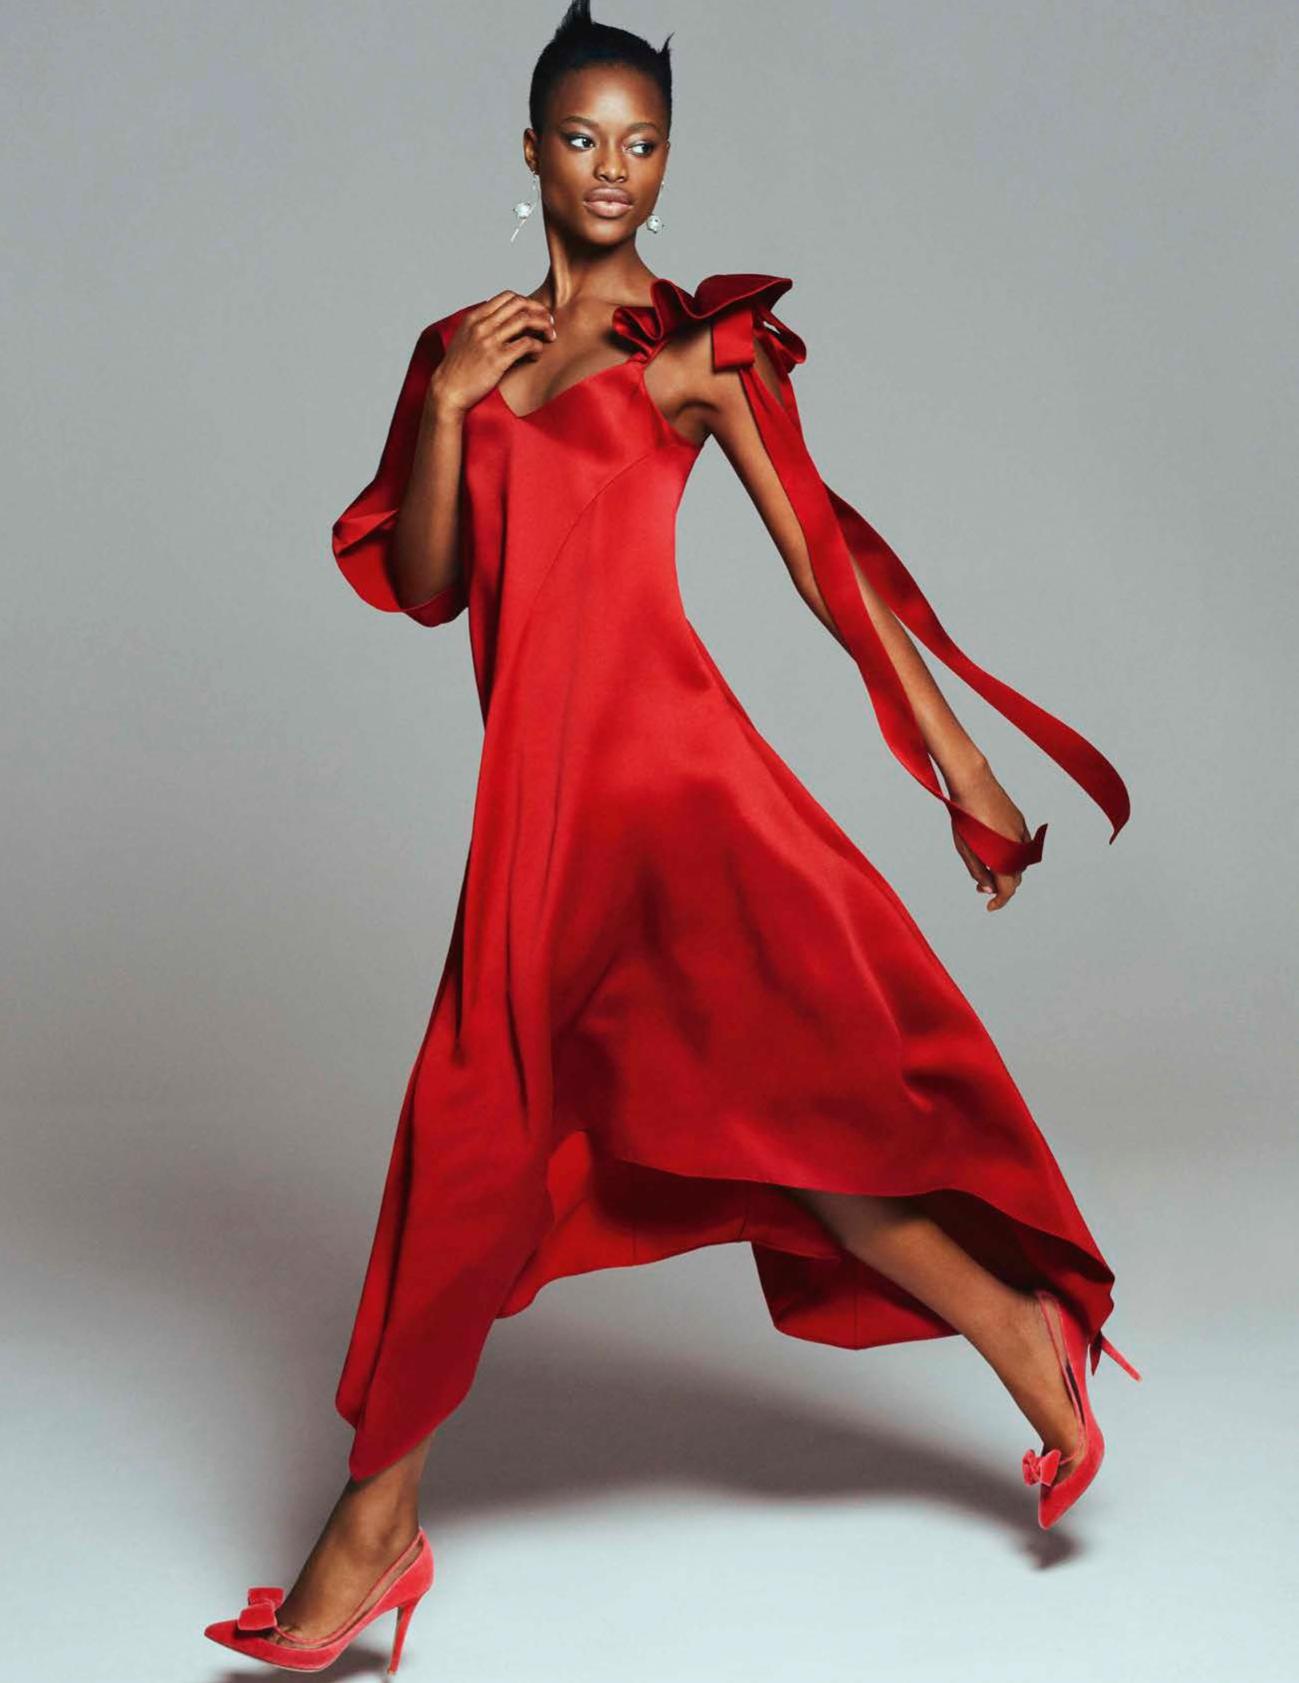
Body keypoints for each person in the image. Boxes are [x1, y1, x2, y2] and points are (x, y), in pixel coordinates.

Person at [205, 2, 1140, 1671]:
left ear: (665, 160)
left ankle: (372, 1530)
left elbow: (827, 571)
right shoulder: (463, 349)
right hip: (543, 814)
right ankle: (1024, 1340)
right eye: (583, 139)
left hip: (681, 801)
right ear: (531, 151)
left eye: (642, 144)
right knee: (528, 1138)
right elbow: (429, 584)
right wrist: (446, 408)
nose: (614, 171)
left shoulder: (701, 351)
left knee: (786, 1116)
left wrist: (963, 771)